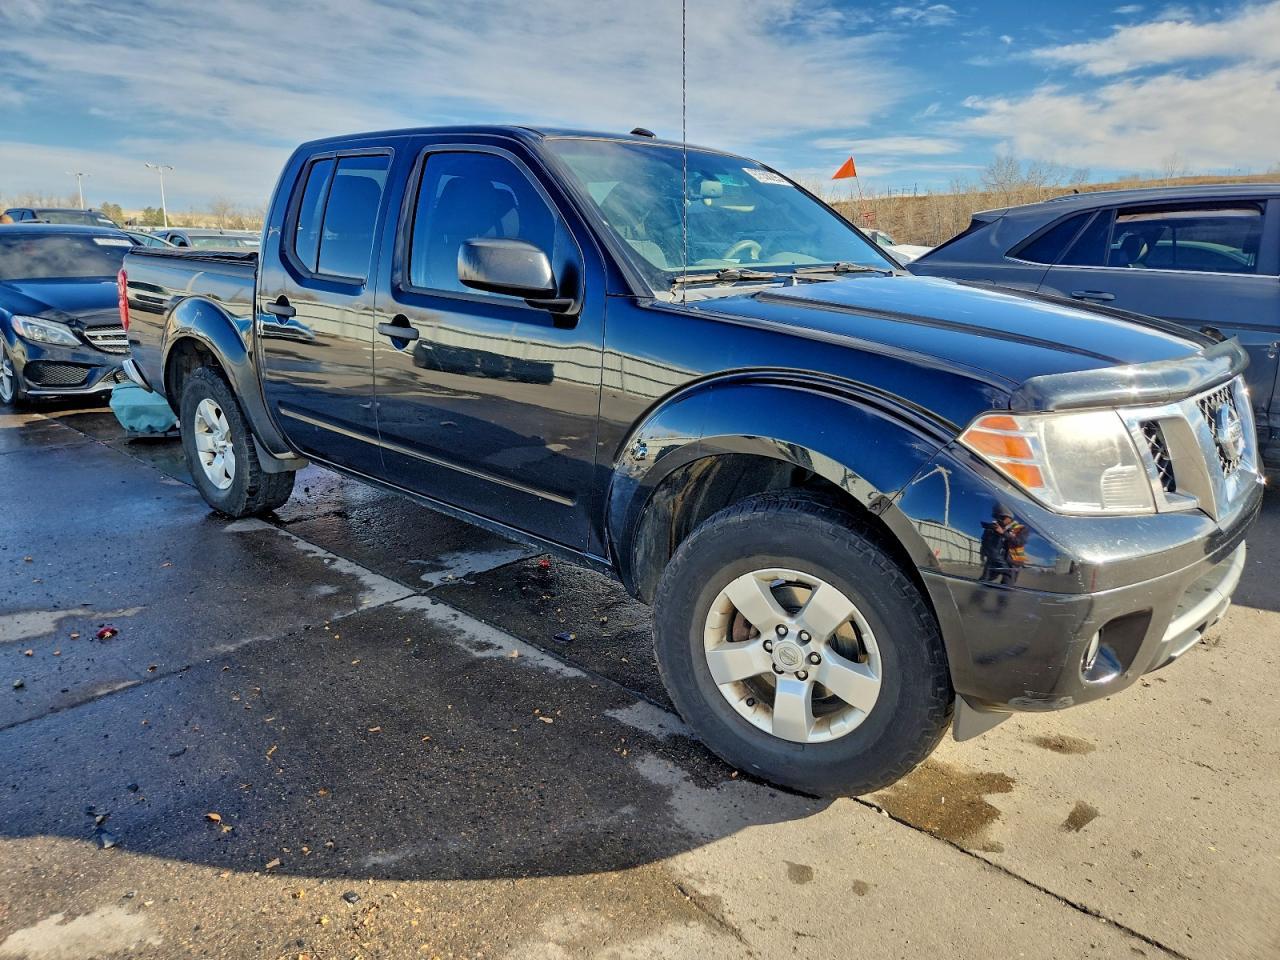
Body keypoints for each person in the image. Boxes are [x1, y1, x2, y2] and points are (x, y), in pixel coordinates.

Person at [979, 503, 1028, 588]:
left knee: (1006, 588)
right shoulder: (994, 527)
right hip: (994, 560)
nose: (998, 520)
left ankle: (1002, 601)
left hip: (1013, 563)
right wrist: (982, 552)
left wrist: (1003, 533)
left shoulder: (1021, 528)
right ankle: (976, 600)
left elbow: (1019, 542)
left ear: (1010, 517)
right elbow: (985, 541)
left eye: (1002, 517)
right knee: (983, 582)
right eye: (997, 517)